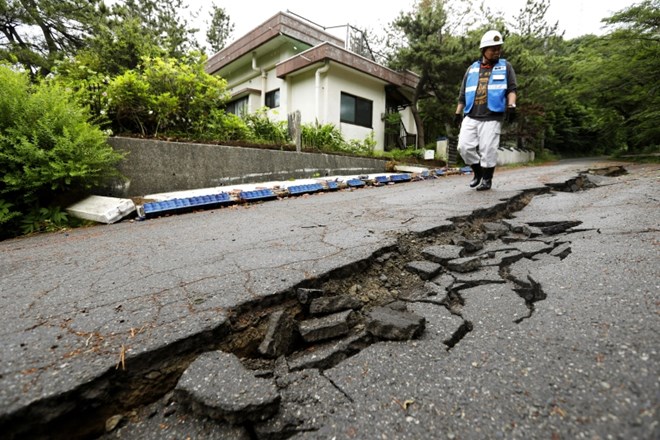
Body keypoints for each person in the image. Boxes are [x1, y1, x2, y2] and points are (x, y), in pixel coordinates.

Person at [453, 30, 517, 191]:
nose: (497, 52)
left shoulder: (505, 67)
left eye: (499, 48)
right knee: (464, 147)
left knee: (488, 149)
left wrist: (511, 106)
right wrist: (457, 113)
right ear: (484, 50)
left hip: (492, 115)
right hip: (471, 114)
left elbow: (511, 89)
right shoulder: (472, 69)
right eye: (493, 49)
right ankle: (478, 172)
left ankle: (487, 179)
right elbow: (462, 94)